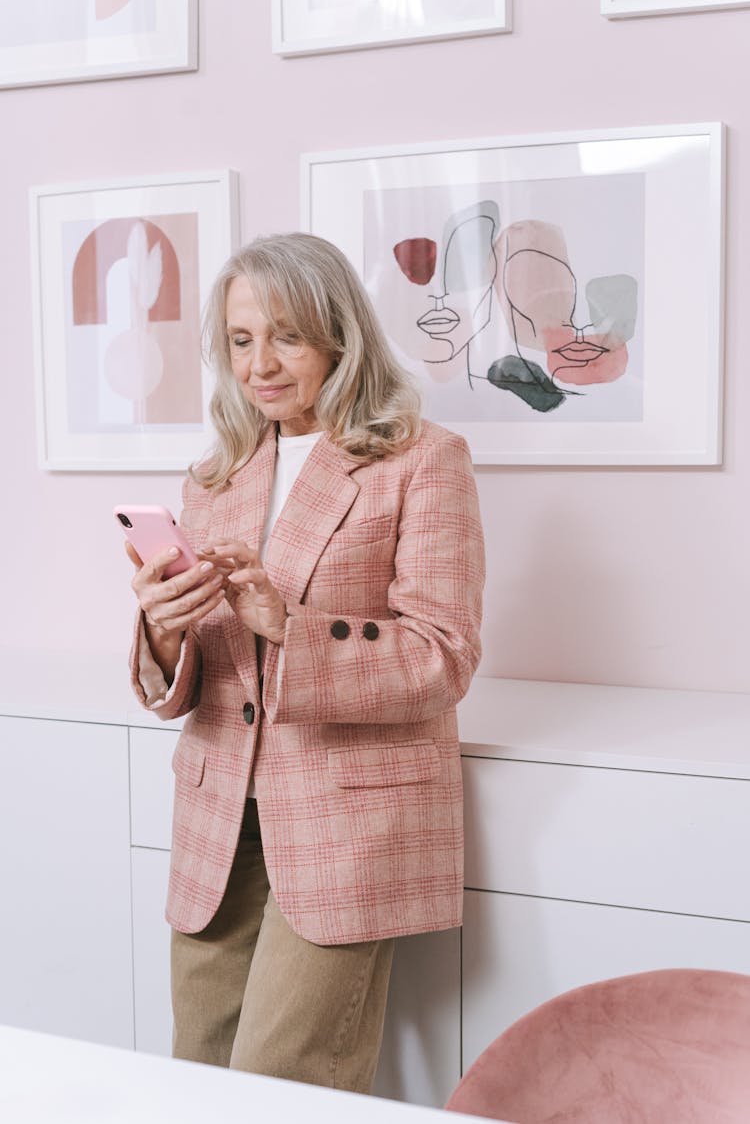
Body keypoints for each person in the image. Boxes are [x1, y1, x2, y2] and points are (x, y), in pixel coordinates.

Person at [126, 231, 485, 1094]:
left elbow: (443, 657)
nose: (262, 366)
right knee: (197, 1081)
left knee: (280, 1085)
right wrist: (165, 631)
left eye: (287, 336)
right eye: (242, 341)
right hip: (218, 825)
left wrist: (290, 624)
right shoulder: (217, 475)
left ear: (340, 334)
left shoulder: (422, 461)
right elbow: (201, 672)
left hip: (343, 824)